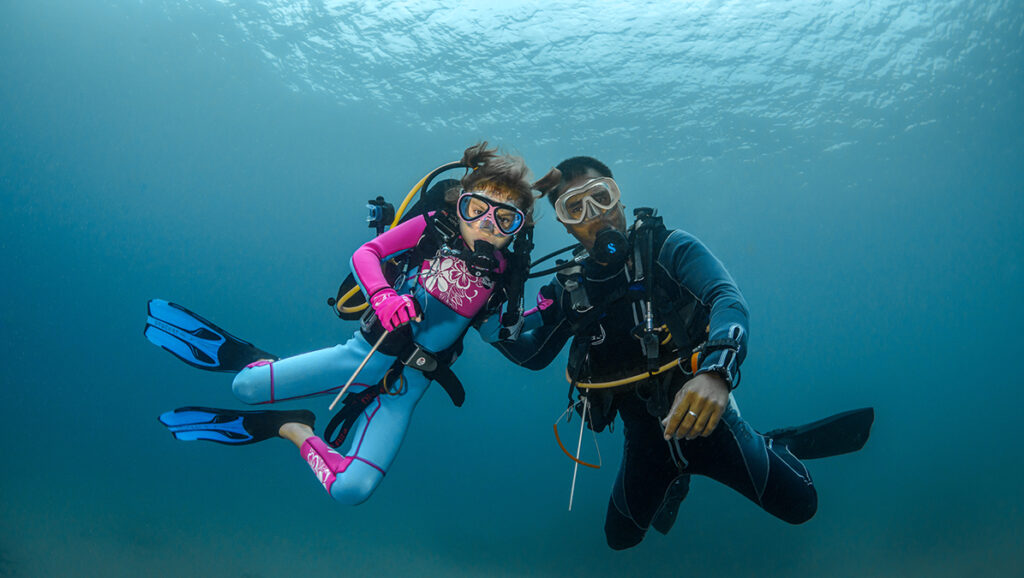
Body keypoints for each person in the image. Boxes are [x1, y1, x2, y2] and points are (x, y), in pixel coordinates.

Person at [493, 156, 873, 550]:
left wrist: (717, 372)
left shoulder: (669, 248)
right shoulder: (571, 290)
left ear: (619, 199)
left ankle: (777, 444)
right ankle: (675, 480)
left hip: (713, 424)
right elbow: (532, 354)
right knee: (619, 539)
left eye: (602, 198)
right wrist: (485, 320)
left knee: (801, 506)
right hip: (645, 441)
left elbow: (727, 300)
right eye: (575, 207)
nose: (596, 216)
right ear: (566, 224)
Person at [146, 142, 538, 505]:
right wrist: (383, 296)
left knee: (351, 490)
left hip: (404, 391)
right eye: (476, 208)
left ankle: (293, 427)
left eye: (505, 219)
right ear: (459, 205)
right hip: (361, 358)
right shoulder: (434, 228)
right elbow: (367, 253)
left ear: (518, 229)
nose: (487, 224)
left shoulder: (507, 275)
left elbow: (495, 333)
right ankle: (252, 358)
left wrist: (536, 316)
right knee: (244, 387)